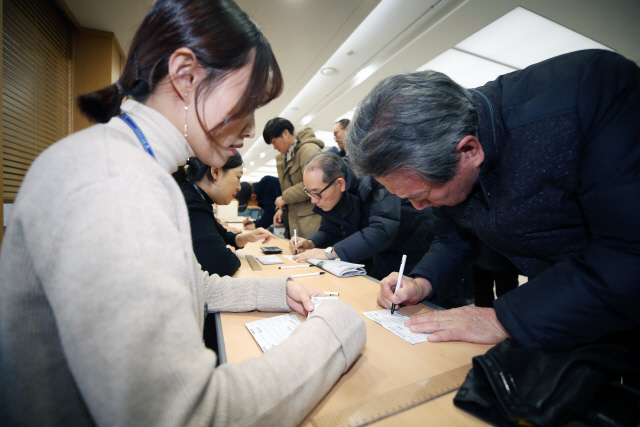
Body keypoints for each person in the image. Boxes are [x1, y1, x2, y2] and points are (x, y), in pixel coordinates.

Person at [0, 1, 365, 426]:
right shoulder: (114, 180)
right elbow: (185, 416)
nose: (250, 129)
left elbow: (191, 285)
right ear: (186, 76)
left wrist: (275, 291)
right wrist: (335, 334)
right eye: (247, 103)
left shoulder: (138, 168)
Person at [346, 49, 640, 353]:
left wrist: (505, 318)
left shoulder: (589, 94)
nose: (419, 208)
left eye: (421, 196)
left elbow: (628, 250)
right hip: (565, 304)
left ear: (469, 151)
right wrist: (421, 282)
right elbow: (453, 240)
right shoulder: (440, 158)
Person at [290, 152, 435, 282]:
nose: (313, 200)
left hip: (412, 243)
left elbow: (382, 230)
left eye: (316, 193)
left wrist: (330, 253)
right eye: (309, 192)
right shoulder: (331, 190)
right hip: (377, 250)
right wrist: (312, 242)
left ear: (340, 184)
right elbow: (331, 230)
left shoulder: (375, 177)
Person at [173, 153, 275, 277]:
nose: (238, 187)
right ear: (216, 172)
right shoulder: (192, 203)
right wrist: (229, 253)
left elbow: (222, 235)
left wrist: (245, 238)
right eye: (238, 177)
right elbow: (220, 264)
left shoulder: (198, 197)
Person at [263, 117, 323, 238]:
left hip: (311, 220)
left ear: (286, 133)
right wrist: (281, 209)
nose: (274, 147)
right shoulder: (285, 157)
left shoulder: (308, 149)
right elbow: (288, 189)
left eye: (274, 141)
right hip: (294, 220)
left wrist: (284, 198)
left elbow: (315, 184)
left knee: (311, 254)